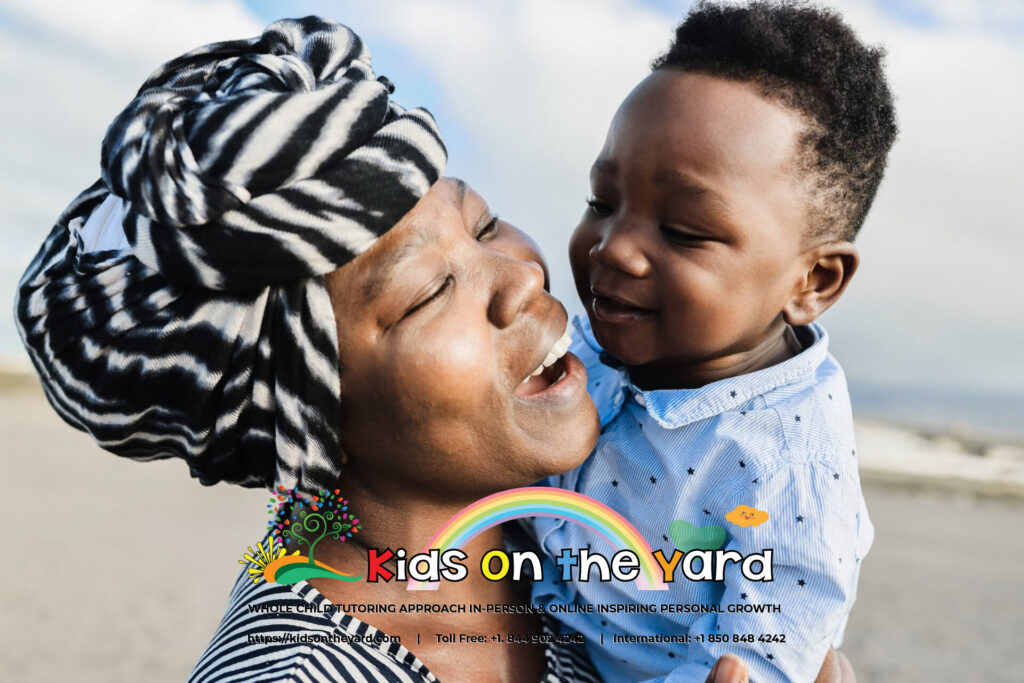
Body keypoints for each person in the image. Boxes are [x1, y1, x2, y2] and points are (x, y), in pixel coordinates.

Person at [15, 16, 826, 683]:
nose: (520, 278)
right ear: (308, 410)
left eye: (480, 223)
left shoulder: (572, 559)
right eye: (429, 293)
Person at [532, 2, 897, 681]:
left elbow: (762, 653)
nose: (616, 249)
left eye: (685, 230)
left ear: (813, 279)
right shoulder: (582, 350)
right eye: (603, 202)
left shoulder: (789, 467)